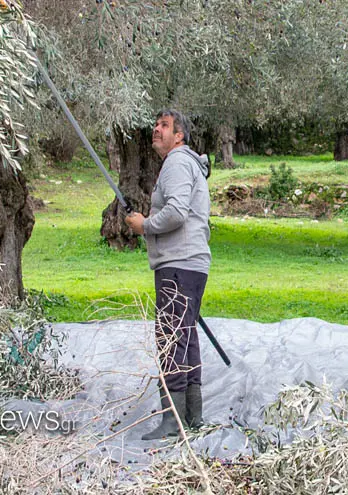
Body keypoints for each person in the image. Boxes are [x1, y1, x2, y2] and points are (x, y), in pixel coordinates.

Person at [125, 109, 211, 440]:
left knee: (171, 340)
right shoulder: (189, 164)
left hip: (178, 263)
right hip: (192, 263)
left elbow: (176, 212)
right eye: (155, 124)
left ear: (179, 136)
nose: (155, 129)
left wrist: (144, 225)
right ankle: (193, 416)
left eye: (164, 126)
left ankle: (172, 421)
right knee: (185, 338)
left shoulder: (176, 162)